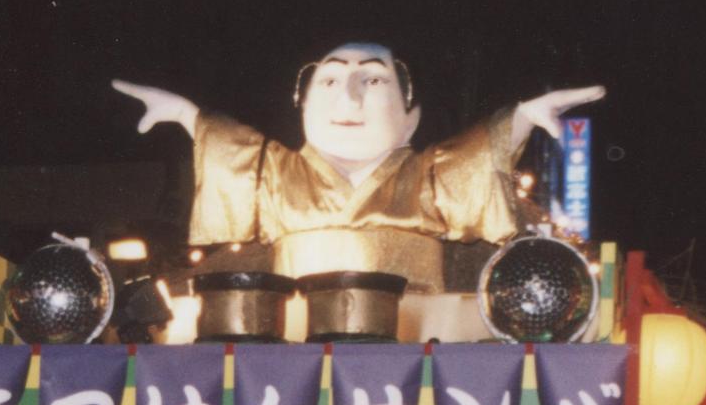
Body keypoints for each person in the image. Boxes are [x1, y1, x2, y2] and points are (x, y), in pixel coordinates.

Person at [115, 45, 603, 291]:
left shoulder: (430, 174)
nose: (347, 99)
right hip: (291, 341)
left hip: (416, 340)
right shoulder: (274, 173)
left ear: (412, 118)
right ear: (302, 106)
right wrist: (185, 115)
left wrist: (519, 120)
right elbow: (234, 148)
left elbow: (476, 153)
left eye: (371, 79)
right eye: (329, 81)